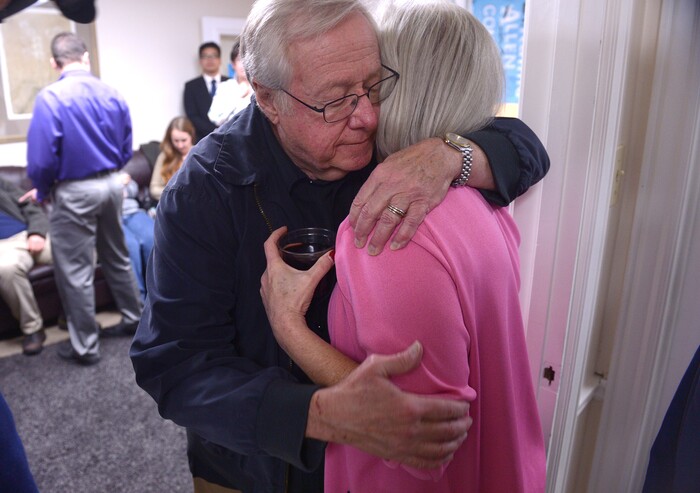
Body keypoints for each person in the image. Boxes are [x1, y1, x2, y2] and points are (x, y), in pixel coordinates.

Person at [130, 0, 550, 491]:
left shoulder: (398, 150)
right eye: (335, 100)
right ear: (267, 99)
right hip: (252, 464)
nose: (368, 117)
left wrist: (451, 154)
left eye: (373, 86)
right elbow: (174, 366)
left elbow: (527, 148)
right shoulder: (205, 189)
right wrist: (317, 414)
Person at [260, 2, 546, 491]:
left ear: (400, 88)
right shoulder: (482, 197)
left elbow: (418, 437)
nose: (364, 108)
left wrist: (290, 328)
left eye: (373, 83)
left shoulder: (389, 227)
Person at [25, 32, 142, 366]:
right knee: (117, 257)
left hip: (74, 191)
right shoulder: (111, 92)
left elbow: (42, 161)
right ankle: (136, 321)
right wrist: (110, 174)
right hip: (110, 185)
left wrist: (43, 189)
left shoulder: (50, 98)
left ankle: (86, 347)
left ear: (54, 62)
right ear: (86, 58)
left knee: (75, 270)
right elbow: (125, 145)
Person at [0, 178, 52, 356]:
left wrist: (37, 232)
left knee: (76, 250)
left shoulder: (2, 183)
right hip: (4, 247)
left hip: (29, 233)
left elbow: (30, 205)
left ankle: (74, 316)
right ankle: (33, 329)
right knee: (7, 268)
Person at [184, 42, 229, 142]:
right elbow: (192, 115)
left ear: (220, 60)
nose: (210, 59)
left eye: (213, 56)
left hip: (229, 137)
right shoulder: (191, 86)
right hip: (202, 140)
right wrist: (214, 131)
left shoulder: (231, 83)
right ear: (200, 61)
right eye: (205, 56)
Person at [120, 171, 154, 301]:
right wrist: (116, 186)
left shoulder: (112, 160)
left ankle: (162, 295)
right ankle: (139, 305)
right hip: (109, 215)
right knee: (130, 247)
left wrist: (125, 186)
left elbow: (133, 189)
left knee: (152, 238)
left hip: (133, 211)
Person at [149, 116, 195, 202]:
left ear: (191, 136)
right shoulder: (164, 156)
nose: (180, 145)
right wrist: (174, 193)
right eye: (176, 141)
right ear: (170, 139)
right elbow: (154, 189)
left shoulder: (198, 155)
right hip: (170, 204)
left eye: (184, 140)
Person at [208, 41, 253, 126]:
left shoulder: (261, 87)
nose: (244, 64)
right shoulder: (225, 87)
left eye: (246, 59)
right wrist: (237, 97)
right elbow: (215, 118)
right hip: (230, 135)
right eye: (239, 60)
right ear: (233, 64)